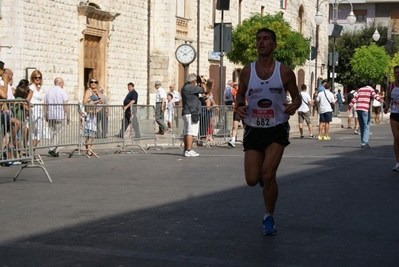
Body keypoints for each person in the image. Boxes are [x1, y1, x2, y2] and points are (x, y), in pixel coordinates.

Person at [235, 28, 301, 235]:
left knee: (269, 173)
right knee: (252, 180)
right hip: (254, 128)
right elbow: (240, 96)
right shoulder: (247, 71)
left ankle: (268, 216)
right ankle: (265, 178)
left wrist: (294, 105)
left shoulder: (285, 72)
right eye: (258, 39)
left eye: (266, 39)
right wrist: (239, 106)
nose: (261, 42)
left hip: (277, 127)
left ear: (274, 45)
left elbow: (297, 97)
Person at [348, 79, 383, 148]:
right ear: (373, 85)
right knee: (366, 126)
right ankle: (364, 143)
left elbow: (355, 98)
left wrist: (349, 107)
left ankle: (362, 141)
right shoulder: (371, 89)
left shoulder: (360, 89)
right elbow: (375, 96)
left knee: (361, 126)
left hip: (358, 108)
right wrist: (381, 100)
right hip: (365, 109)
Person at [45, 77, 70, 157]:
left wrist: (45, 114)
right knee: (58, 133)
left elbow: (45, 103)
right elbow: (65, 104)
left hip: (50, 114)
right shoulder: (62, 91)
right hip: (59, 114)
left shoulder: (49, 91)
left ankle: (56, 151)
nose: (63, 84)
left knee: (54, 133)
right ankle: (52, 148)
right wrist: (68, 115)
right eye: (63, 83)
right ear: (60, 83)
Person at [181, 73, 205, 157]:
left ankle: (186, 150)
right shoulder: (190, 87)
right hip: (191, 112)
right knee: (190, 132)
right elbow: (203, 90)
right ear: (193, 81)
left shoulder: (185, 87)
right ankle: (189, 149)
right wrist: (202, 82)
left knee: (187, 132)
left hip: (187, 112)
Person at [83, 78, 103, 156]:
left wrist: (99, 98)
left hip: (94, 113)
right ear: (89, 83)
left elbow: (101, 101)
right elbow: (85, 102)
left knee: (92, 132)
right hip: (89, 114)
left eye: (95, 82)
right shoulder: (88, 91)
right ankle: (88, 150)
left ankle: (89, 148)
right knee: (90, 132)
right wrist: (96, 101)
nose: (93, 83)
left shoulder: (96, 92)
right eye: (91, 82)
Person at [384, 65, 399, 171]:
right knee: (397, 138)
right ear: (394, 74)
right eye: (396, 72)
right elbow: (388, 97)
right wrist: (387, 106)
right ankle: (398, 162)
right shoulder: (391, 86)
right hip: (394, 114)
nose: (398, 74)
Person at [27, 70, 45, 154]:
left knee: (39, 133)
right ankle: (30, 152)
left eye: (39, 77)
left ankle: (32, 151)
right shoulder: (32, 87)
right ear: (32, 78)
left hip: (39, 112)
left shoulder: (40, 88)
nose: (37, 79)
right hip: (33, 112)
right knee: (32, 133)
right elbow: (27, 99)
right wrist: (30, 104)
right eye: (36, 77)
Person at [228, 82, 240, 147]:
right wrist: (233, 103)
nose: (235, 87)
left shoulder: (244, 92)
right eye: (234, 86)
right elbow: (233, 100)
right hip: (236, 110)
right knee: (235, 126)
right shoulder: (234, 92)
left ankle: (246, 140)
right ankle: (233, 141)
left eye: (236, 85)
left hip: (244, 110)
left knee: (246, 126)